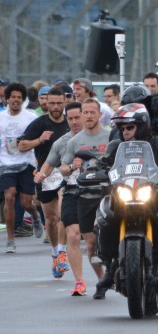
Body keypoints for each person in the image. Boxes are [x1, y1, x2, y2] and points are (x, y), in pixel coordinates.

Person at [97, 103, 158, 289]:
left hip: (154, 193)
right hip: (122, 193)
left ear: (142, 125)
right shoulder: (116, 145)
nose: (125, 132)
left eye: (130, 127)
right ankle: (109, 267)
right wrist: (94, 170)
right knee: (104, 217)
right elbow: (102, 163)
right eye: (122, 128)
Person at [34, 102, 87, 295]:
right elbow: (47, 167)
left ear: (86, 116)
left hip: (96, 187)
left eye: (77, 117)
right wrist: (40, 175)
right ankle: (60, 253)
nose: (74, 122)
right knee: (58, 217)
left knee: (91, 237)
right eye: (70, 118)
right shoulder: (62, 142)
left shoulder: (100, 136)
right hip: (69, 184)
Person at [59, 99, 110, 298]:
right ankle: (101, 279)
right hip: (85, 193)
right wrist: (73, 166)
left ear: (99, 114)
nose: (88, 116)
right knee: (90, 243)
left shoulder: (111, 135)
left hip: (109, 192)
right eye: (85, 113)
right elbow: (63, 168)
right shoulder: (75, 141)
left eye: (92, 112)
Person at [19, 87, 70, 278]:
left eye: (59, 103)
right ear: (46, 103)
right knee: (51, 218)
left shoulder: (70, 122)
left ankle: (63, 252)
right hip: (45, 174)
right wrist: (39, 140)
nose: (56, 107)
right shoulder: (39, 123)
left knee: (64, 213)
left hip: (66, 173)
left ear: (64, 102)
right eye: (52, 103)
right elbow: (21, 145)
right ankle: (56, 253)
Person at [0, 83, 44, 253]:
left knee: (26, 203)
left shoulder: (30, 117)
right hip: (5, 163)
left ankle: (34, 216)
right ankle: (10, 240)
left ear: (23, 100)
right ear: (7, 99)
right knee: (9, 196)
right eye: (13, 97)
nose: (16, 100)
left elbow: (40, 137)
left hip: (26, 162)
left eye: (19, 97)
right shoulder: (2, 118)